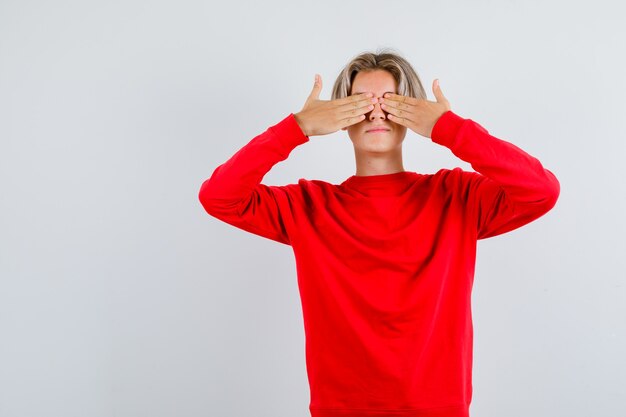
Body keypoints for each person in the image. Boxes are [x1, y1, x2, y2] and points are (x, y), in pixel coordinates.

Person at [198, 48, 560, 417]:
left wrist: (450, 128)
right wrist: (296, 128)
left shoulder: (457, 197)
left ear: (412, 112)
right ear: (339, 116)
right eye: (359, 102)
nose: (375, 113)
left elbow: (541, 191)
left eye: (390, 101)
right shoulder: (308, 206)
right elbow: (219, 197)